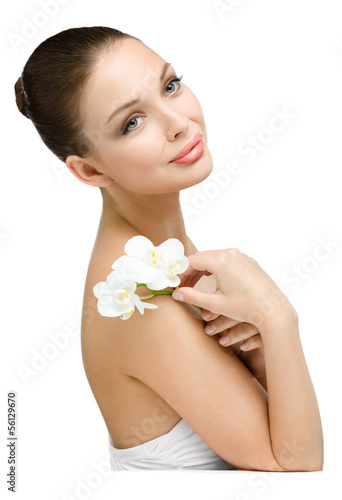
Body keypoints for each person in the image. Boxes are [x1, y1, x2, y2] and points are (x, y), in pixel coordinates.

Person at [14, 26, 323, 471]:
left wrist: (259, 351)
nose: (180, 123)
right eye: (132, 122)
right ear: (89, 170)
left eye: (170, 86)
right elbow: (297, 471)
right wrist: (278, 318)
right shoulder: (135, 295)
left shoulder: (165, 253)